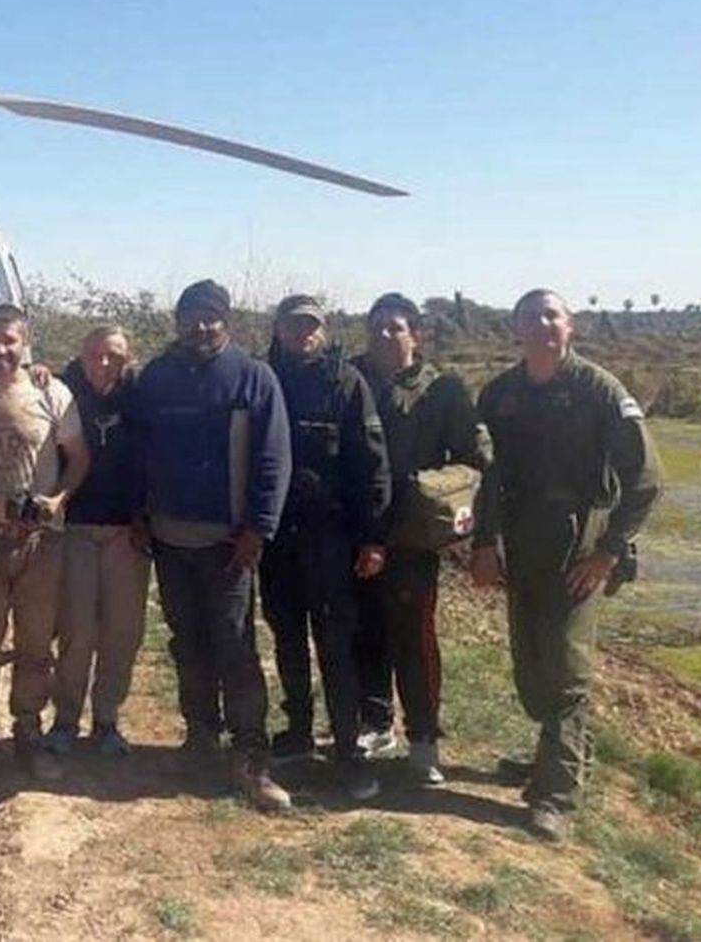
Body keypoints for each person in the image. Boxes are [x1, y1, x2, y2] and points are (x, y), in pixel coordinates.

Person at [471, 288, 662, 842]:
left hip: (581, 551)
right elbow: (487, 478)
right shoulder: (501, 393)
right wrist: (484, 544)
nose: (542, 324)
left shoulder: (599, 390)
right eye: (530, 317)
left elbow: (647, 479)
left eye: (551, 315)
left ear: (569, 326)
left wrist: (609, 552)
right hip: (522, 547)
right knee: (531, 671)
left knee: (566, 674)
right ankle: (560, 754)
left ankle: (554, 794)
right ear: (516, 329)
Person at [132, 279, 293, 812]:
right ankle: (200, 737)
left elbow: (274, 460)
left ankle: (250, 754)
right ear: (176, 321)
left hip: (229, 545)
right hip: (169, 540)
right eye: (189, 316)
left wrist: (258, 529)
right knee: (187, 642)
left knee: (234, 645)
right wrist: (141, 516)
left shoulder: (253, 377)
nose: (199, 327)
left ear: (226, 322)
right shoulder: (156, 377)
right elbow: (138, 451)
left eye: (210, 317)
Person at [352, 292, 490, 786]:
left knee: (413, 638)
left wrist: (437, 495)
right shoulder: (350, 378)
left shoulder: (442, 391)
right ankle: (374, 722)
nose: (384, 335)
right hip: (355, 531)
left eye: (395, 327)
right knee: (361, 634)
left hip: (410, 537)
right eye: (376, 327)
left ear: (416, 334)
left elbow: (474, 459)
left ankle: (424, 739)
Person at [0, 303, 90, 789]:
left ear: (25, 340)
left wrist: (57, 499)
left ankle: (28, 734)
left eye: (9, 340)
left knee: (35, 648)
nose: (0, 350)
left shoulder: (52, 392)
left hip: (42, 542)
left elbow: (79, 459)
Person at [260, 294, 391, 802]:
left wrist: (372, 536)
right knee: (287, 638)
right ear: (279, 330)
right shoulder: (263, 377)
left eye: (311, 326)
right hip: (276, 536)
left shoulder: (346, 382)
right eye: (294, 326)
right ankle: (296, 733)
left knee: (335, 645)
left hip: (331, 537)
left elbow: (372, 464)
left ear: (325, 330)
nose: (303, 334)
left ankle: (347, 750)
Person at [46, 325, 149, 759]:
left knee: (122, 632)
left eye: (114, 356)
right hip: (77, 529)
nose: (104, 364)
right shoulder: (61, 390)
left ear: (127, 358)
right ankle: (66, 720)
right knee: (77, 630)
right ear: (82, 355)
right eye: (95, 355)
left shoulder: (141, 397)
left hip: (128, 531)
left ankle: (107, 719)